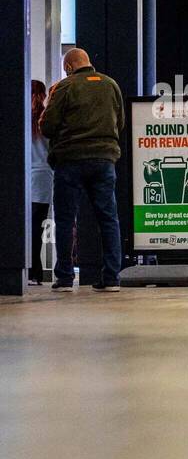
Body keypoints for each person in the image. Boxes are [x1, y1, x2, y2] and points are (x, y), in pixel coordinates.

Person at [41, 48, 125, 293]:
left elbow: (48, 125)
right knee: (108, 219)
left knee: (66, 219)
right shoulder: (111, 85)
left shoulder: (65, 87)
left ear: (68, 66)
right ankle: (111, 279)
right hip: (104, 160)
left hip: (71, 160)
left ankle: (65, 278)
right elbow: (120, 123)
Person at [29, 80, 52, 284]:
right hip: (44, 178)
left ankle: (26, 269)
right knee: (38, 228)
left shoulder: (21, 118)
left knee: (23, 228)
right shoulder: (46, 119)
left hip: (23, 179)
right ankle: (36, 272)